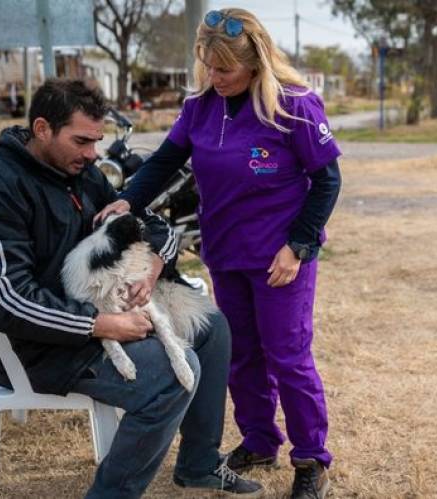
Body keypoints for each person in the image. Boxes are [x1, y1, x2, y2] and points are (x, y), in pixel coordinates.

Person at [0, 78, 263, 498]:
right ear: (42, 129)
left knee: (212, 328)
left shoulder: (80, 172)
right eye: (82, 141)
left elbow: (147, 224)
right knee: (170, 376)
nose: (93, 154)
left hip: (99, 313)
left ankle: (199, 464)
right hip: (39, 346)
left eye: (97, 141)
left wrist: (152, 265)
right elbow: (6, 298)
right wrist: (102, 324)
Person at [96, 8, 342, 499]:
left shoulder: (293, 105)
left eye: (225, 69)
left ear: (255, 64)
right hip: (226, 253)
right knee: (241, 355)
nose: (215, 77)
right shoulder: (200, 106)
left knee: (288, 356)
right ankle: (259, 439)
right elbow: (166, 160)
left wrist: (297, 247)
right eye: (208, 66)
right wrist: (129, 198)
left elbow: (327, 180)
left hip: (279, 259)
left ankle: (311, 458)